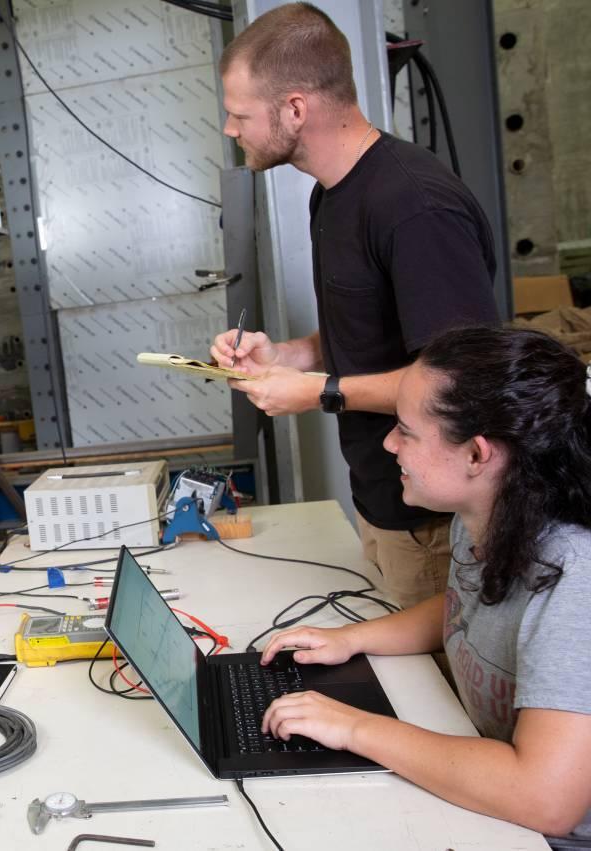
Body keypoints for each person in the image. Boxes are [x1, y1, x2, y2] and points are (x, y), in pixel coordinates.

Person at [207, 3, 500, 607]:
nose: (231, 130)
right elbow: (371, 321)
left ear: (295, 108)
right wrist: (287, 354)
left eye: (240, 114)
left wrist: (317, 391)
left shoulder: (416, 208)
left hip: (432, 527)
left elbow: (460, 382)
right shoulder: (332, 197)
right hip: (380, 503)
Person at [258, 326, 591, 843]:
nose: (390, 442)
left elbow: (546, 800)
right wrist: (351, 639)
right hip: (488, 786)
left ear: (478, 455)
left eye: (407, 431)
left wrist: (353, 728)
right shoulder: (483, 514)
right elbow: (464, 606)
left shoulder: (575, 579)